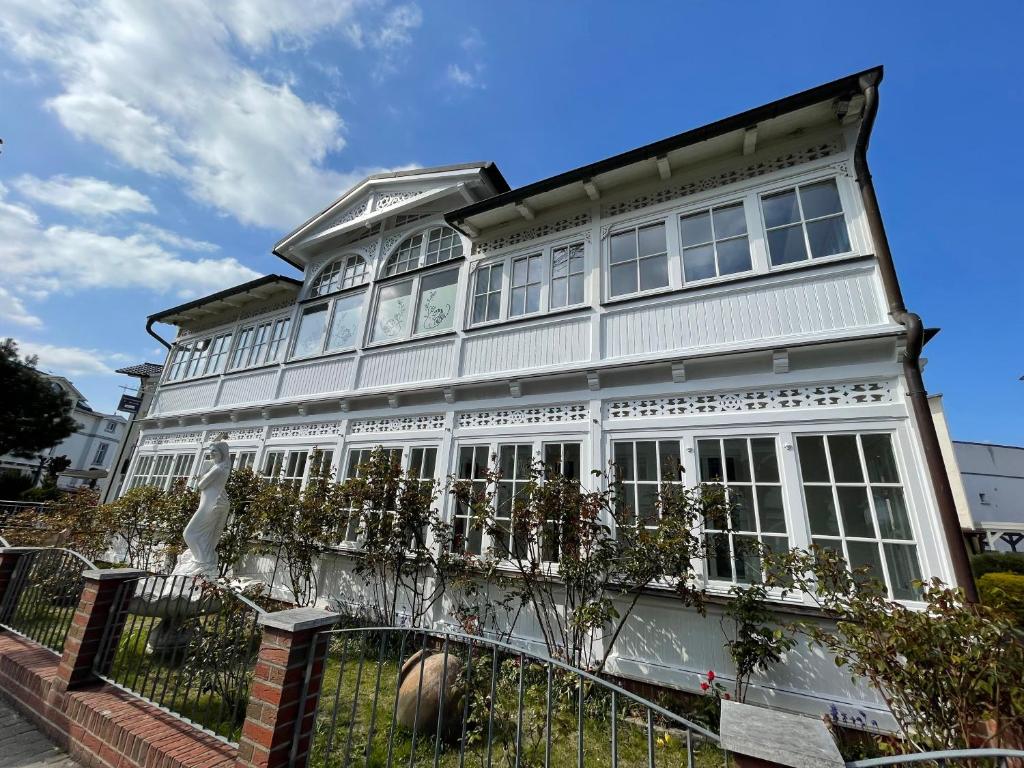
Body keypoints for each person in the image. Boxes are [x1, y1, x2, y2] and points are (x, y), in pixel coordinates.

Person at [173, 439, 231, 577]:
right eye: (210, 451)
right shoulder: (222, 466)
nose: (211, 454)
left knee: (189, 534)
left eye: (214, 451)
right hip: (212, 503)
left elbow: (201, 484)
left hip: (210, 505)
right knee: (205, 535)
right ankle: (204, 560)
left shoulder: (217, 469)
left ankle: (202, 561)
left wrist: (205, 468)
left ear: (222, 453)